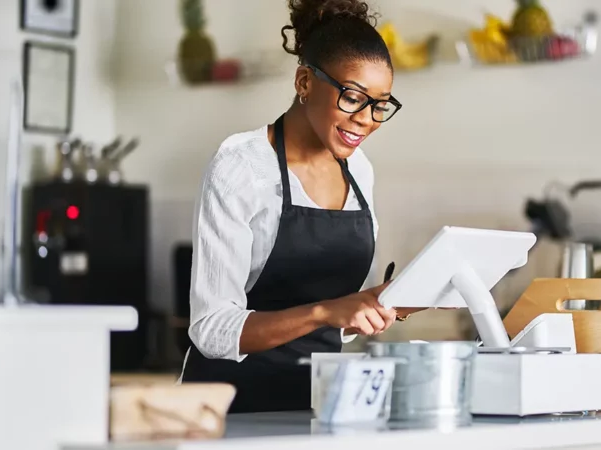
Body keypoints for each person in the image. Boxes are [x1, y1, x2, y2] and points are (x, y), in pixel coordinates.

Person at [180, 0, 422, 413]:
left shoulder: (359, 170)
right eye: (352, 97)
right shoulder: (241, 166)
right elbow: (211, 330)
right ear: (305, 82)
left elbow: (332, 320)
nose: (366, 119)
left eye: (380, 105)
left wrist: (371, 305)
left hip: (316, 403)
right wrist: (327, 311)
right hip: (228, 409)